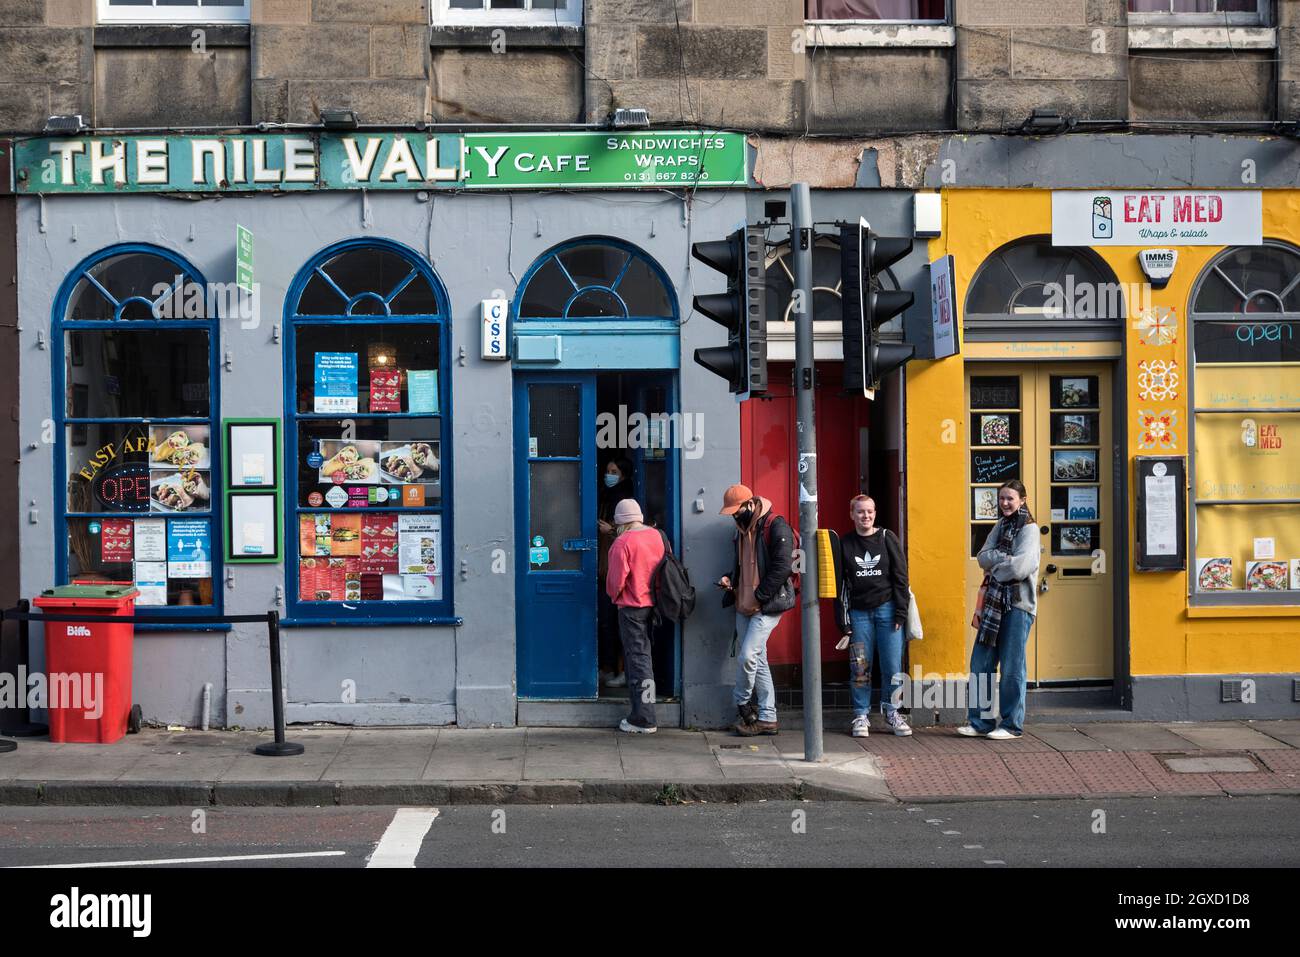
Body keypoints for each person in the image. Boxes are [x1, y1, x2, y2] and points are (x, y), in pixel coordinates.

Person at [959, 479, 1040, 741]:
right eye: (1002, 498)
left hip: (1017, 605)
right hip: (993, 605)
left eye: (1010, 499)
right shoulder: (1000, 525)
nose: (1005, 503)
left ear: (1022, 500)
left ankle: (1011, 725)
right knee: (980, 662)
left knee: (1012, 667)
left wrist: (996, 564)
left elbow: (1020, 569)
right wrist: (1002, 559)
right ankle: (979, 722)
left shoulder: (1029, 530)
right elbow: (982, 556)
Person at [716, 484, 795, 736]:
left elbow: (783, 566)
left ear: (750, 505)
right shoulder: (740, 531)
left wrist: (760, 596)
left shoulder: (776, 525)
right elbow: (741, 566)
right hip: (743, 602)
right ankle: (768, 718)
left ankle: (741, 702)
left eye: (737, 511)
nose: (735, 517)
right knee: (758, 659)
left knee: (748, 656)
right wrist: (730, 579)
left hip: (767, 604)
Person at [833, 495, 911, 738]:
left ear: (875, 513)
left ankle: (893, 712)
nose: (865, 516)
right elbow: (841, 586)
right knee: (860, 667)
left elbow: (901, 577)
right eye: (860, 512)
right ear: (851, 514)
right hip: (859, 614)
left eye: (869, 511)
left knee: (892, 666)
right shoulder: (845, 544)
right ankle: (860, 714)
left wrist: (900, 611)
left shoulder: (887, 538)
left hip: (888, 611)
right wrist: (843, 621)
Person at [604, 498, 665, 734]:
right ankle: (643, 711)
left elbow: (616, 581)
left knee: (638, 660)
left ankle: (644, 718)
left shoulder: (623, 542)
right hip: (655, 605)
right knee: (645, 658)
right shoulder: (657, 536)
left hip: (632, 608)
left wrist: (613, 596)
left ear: (620, 521)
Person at [597, 458, 634, 688]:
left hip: (617, 574)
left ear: (623, 475)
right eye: (607, 471)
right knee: (606, 623)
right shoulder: (604, 497)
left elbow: (628, 536)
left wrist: (611, 531)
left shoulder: (626, 502)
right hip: (604, 570)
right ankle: (608, 667)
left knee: (617, 624)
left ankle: (621, 670)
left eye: (614, 471)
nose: (608, 475)